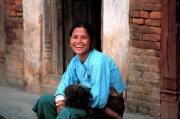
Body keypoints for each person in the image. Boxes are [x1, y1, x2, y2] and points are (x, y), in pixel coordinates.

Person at [32, 21, 127, 119]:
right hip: (89, 102)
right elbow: (64, 84)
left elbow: (99, 101)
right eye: (75, 37)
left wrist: (69, 105)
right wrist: (60, 102)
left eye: (84, 37)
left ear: (92, 40)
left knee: (68, 112)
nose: (78, 41)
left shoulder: (98, 61)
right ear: (70, 40)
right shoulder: (75, 62)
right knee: (45, 101)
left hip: (108, 107)